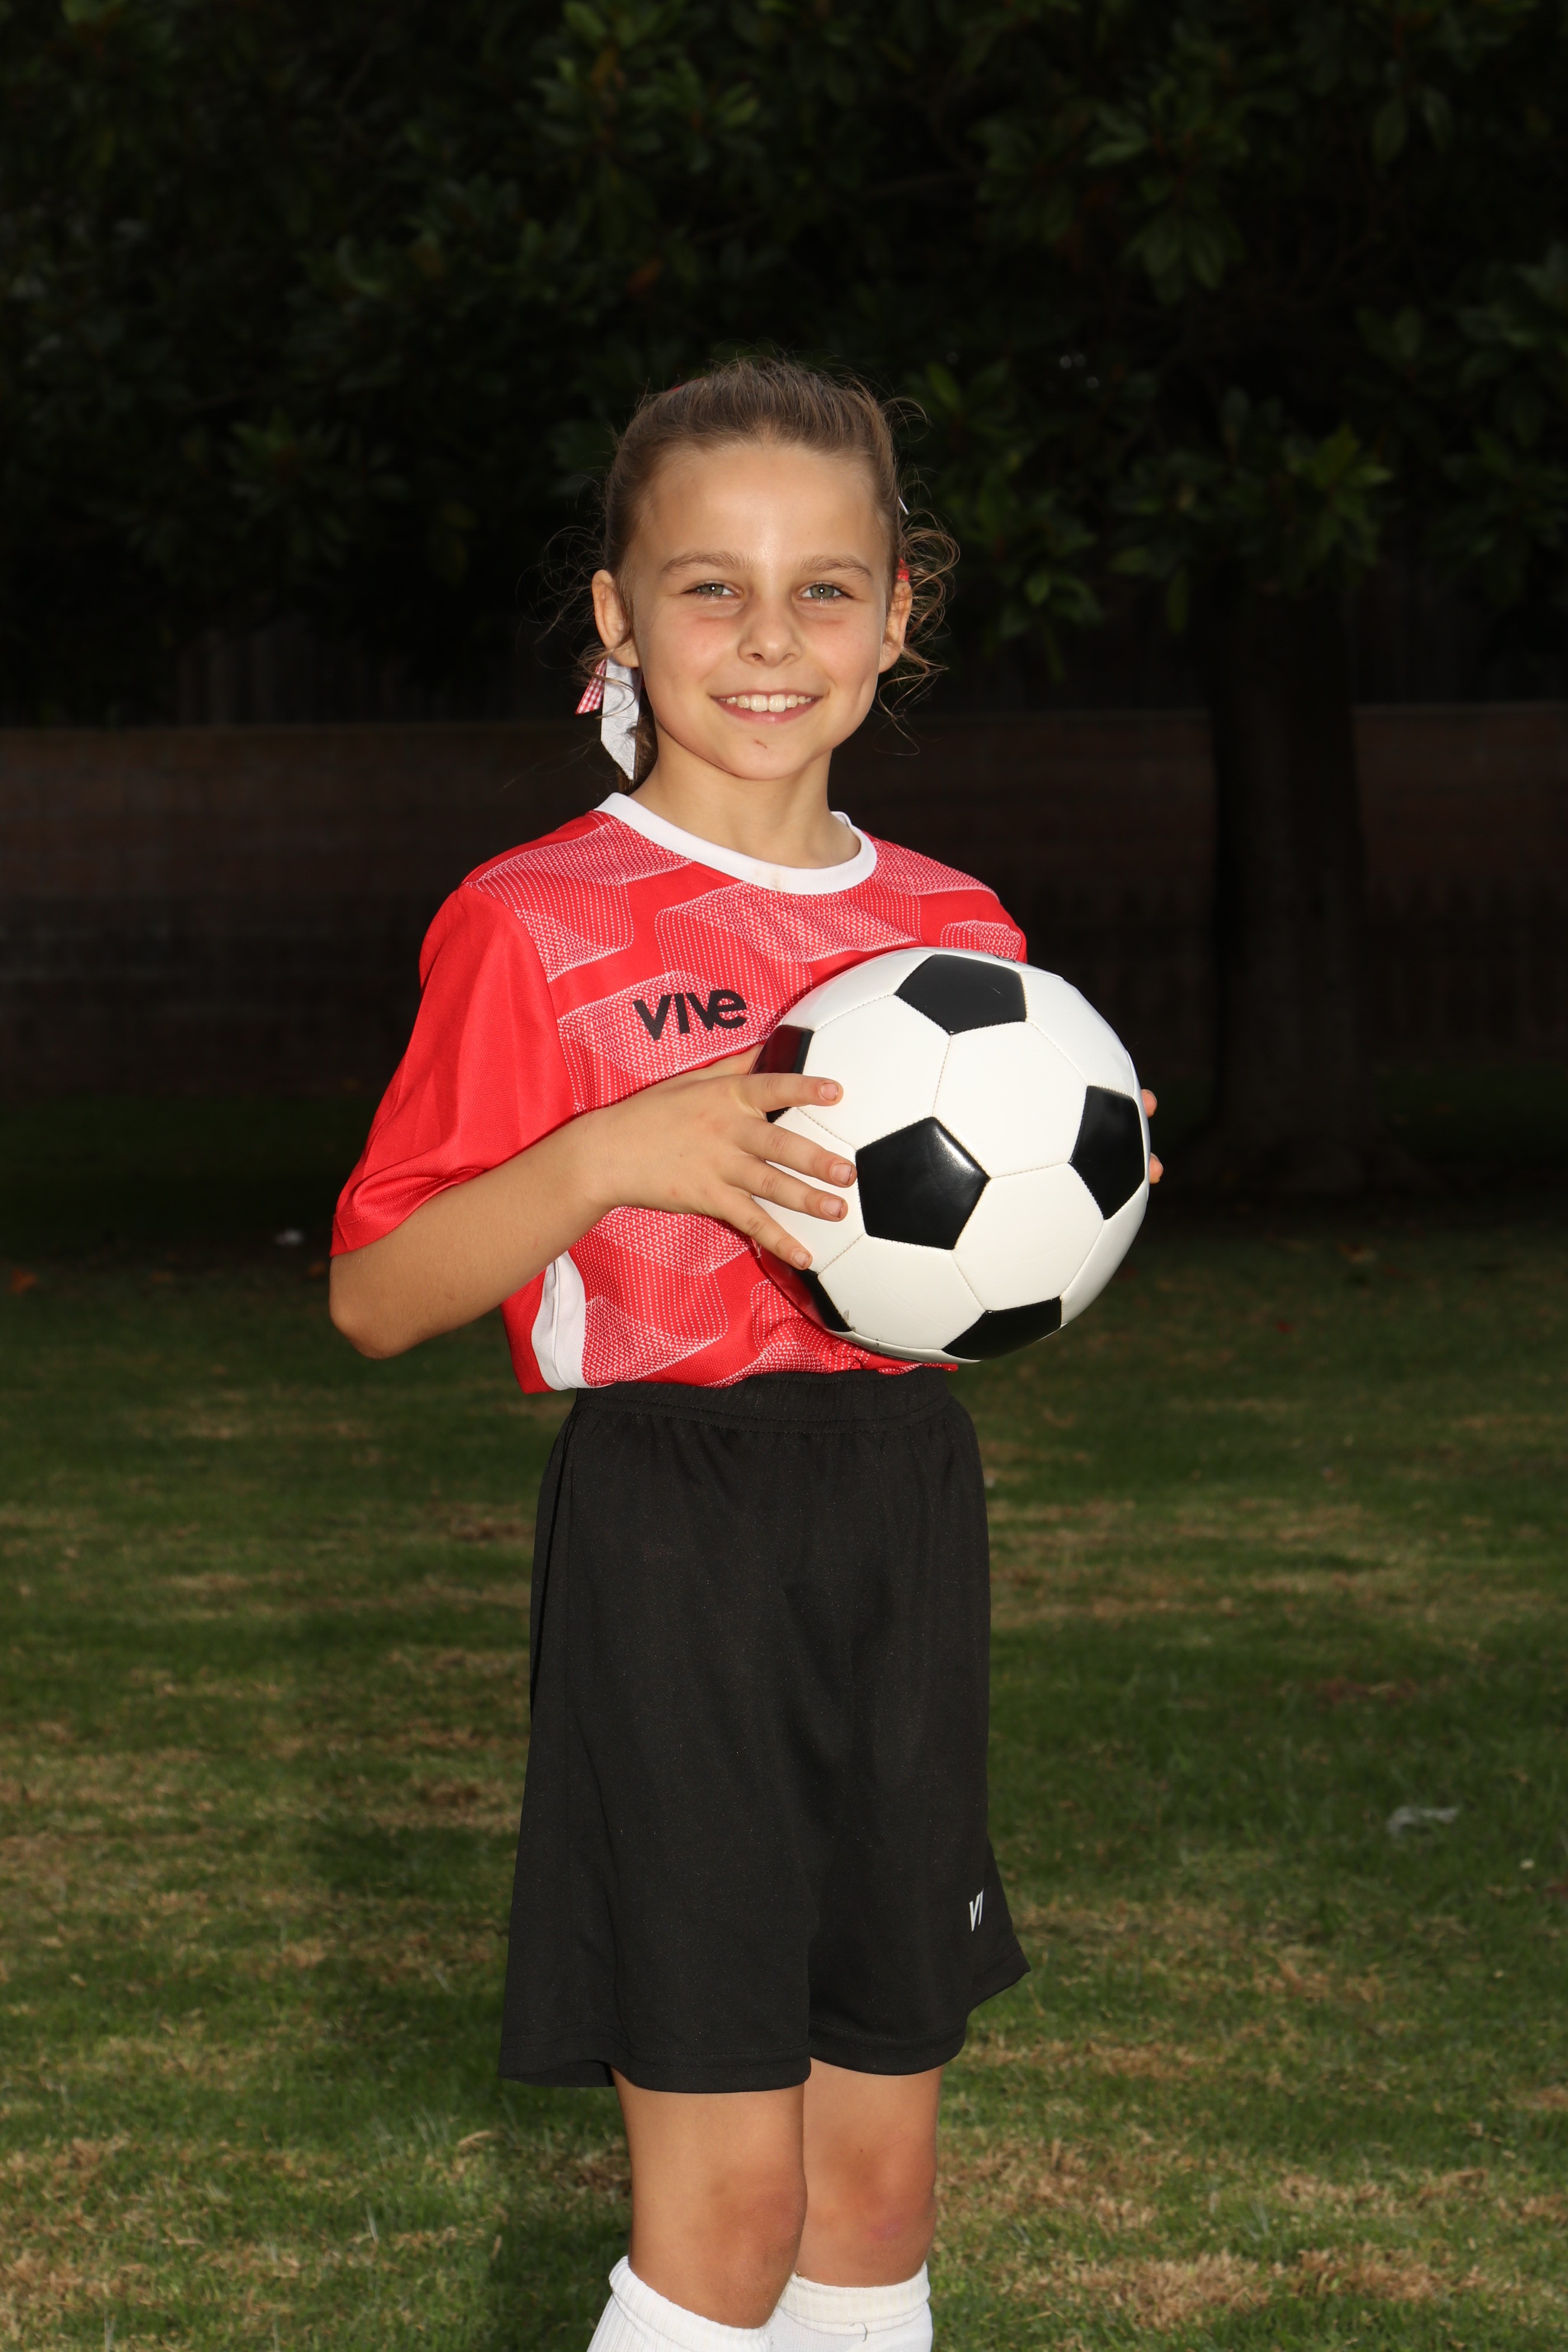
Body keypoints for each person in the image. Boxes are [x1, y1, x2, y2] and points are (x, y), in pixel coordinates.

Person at [329, 358, 1161, 2352]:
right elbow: (376, 1292)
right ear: (618, 614)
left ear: (899, 614)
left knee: (871, 2190)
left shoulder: (958, 926)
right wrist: (607, 1157)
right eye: (711, 589)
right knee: (729, 2209)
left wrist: (1092, 1180)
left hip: (901, 1519)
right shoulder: (536, 921)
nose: (769, 640)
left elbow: (993, 1229)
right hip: (674, 1534)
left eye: (823, 590)